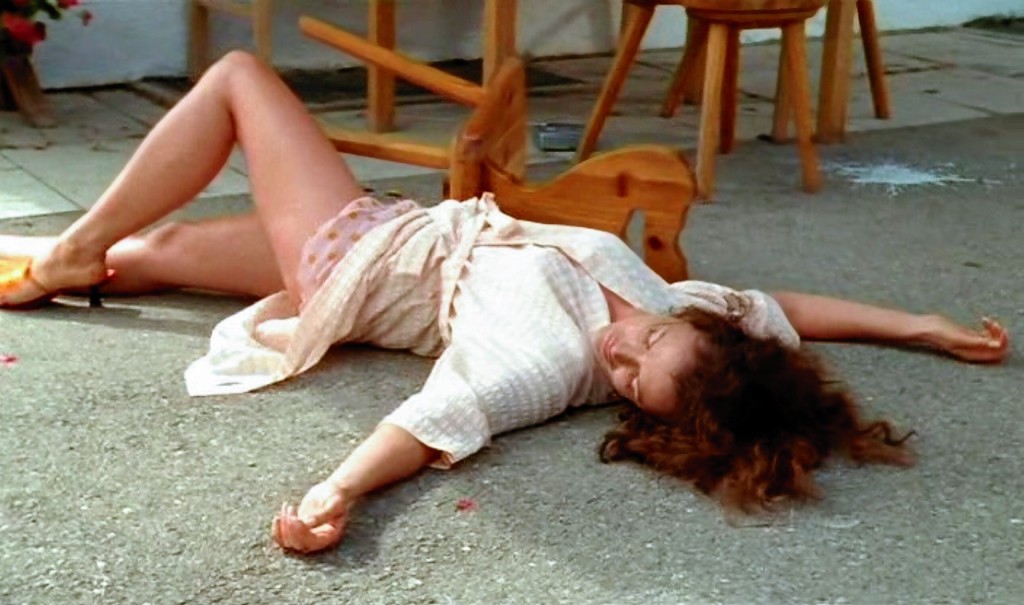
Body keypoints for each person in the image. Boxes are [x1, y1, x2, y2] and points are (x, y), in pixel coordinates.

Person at [0, 52, 1010, 554]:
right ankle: (72, 260)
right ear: (697, 325)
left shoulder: (542, 363)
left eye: (630, 383)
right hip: (406, 227)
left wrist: (333, 494)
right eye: (647, 340)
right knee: (150, 254)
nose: (618, 352)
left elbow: (436, 416)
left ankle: (73, 244)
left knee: (237, 78)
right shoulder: (682, 300)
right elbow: (783, 307)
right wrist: (925, 325)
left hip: (362, 257)